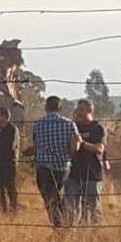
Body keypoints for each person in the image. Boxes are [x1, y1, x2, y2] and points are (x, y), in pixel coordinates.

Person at [32, 96, 81, 229]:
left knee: (50, 199)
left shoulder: (38, 124)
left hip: (44, 166)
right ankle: (63, 224)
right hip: (62, 167)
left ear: (46, 107)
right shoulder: (69, 124)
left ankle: (58, 225)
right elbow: (75, 145)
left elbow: (36, 145)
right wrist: (68, 156)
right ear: (60, 108)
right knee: (58, 195)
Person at [65, 100, 107, 226]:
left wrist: (82, 143)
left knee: (94, 210)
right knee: (71, 209)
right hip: (73, 175)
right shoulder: (73, 127)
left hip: (93, 174)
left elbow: (99, 149)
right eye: (77, 109)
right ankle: (74, 236)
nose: (78, 112)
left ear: (90, 110)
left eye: (81, 109)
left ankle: (96, 237)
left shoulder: (98, 128)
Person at [0, 107, 19, 214]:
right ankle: (4, 210)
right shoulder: (0, 131)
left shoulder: (12, 129)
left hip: (9, 164)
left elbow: (10, 146)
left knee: (10, 188)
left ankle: (14, 210)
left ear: (4, 116)